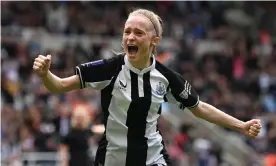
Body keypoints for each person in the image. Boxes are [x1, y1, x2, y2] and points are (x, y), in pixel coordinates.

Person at [33, 8, 262, 166]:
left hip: (153, 159)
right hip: (113, 159)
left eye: (138, 32)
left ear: (155, 40)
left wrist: (240, 125)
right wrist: (45, 74)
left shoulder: (166, 77)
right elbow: (60, 86)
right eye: (127, 31)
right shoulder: (108, 69)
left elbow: (199, 108)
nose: (130, 37)